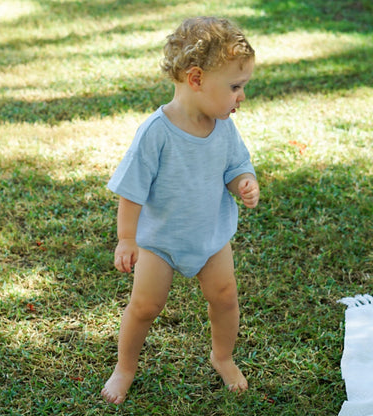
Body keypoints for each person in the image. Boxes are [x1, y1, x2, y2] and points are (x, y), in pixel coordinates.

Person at [101, 16, 260, 405]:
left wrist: (243, 181)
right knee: (145, 306)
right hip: (161, 241)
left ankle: (222, 357)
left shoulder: (223, 126)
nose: (242, 96)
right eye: (235, 87)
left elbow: (234, 164)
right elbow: (131, 191)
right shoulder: (156, 132)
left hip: (210, 235)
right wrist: (127, 239)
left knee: (225, 295)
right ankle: (125, 367)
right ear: (196, 79)